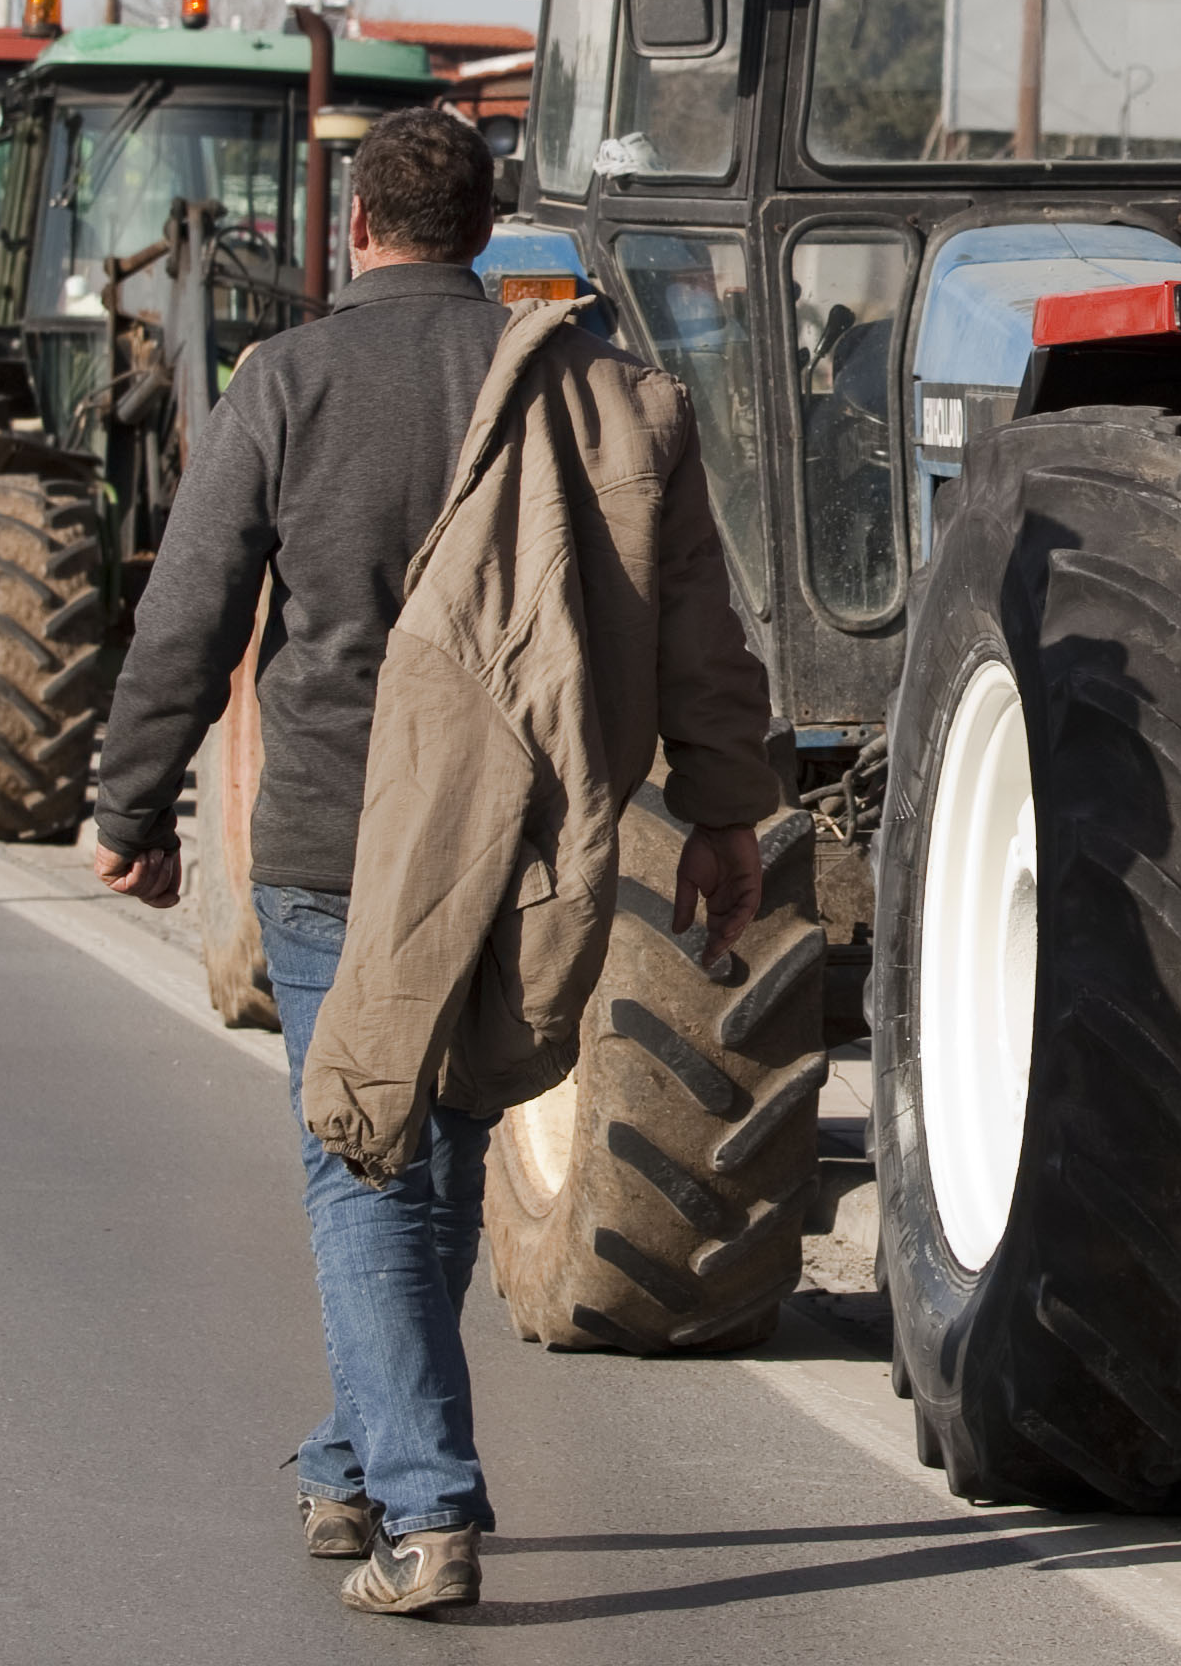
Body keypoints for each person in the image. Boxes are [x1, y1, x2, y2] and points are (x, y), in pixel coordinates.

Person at [84, 107, 774, 1621]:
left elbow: (190, 609)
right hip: (528, 842)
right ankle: (352, 1459)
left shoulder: (289, 381)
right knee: (436, 1148)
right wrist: (726, 816)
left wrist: (130, 809)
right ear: (483, 228)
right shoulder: (590, 390)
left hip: (341, 846)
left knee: (358, 1156)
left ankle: (427, 1500)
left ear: (356, 229)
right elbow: (700, 634)